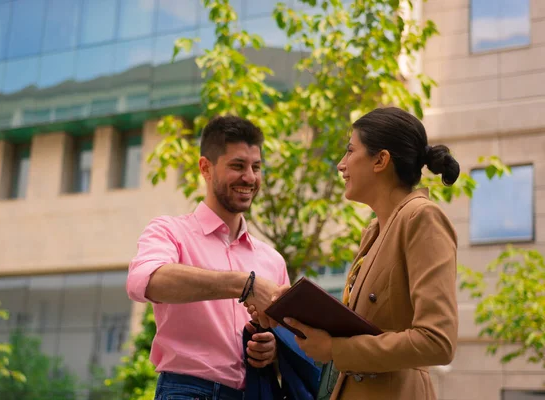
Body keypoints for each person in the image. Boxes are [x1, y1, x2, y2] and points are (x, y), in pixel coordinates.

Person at [278, 107, 460, 399]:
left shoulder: (421, 218)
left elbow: (437, 341)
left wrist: (335, 349)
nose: (341, 164)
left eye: (350, 151)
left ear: (381, 160)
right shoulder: (374, 232)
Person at [126, 115, 290, 400]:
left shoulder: (272, 259)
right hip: (189, 391)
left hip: (257, 392)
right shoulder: (170, 232)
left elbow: (288, 336)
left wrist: (272, 349)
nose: (250, 177)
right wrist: (244, 284)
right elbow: (146, 281)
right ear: (206, 168)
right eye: (238, 166)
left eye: (256, 167)